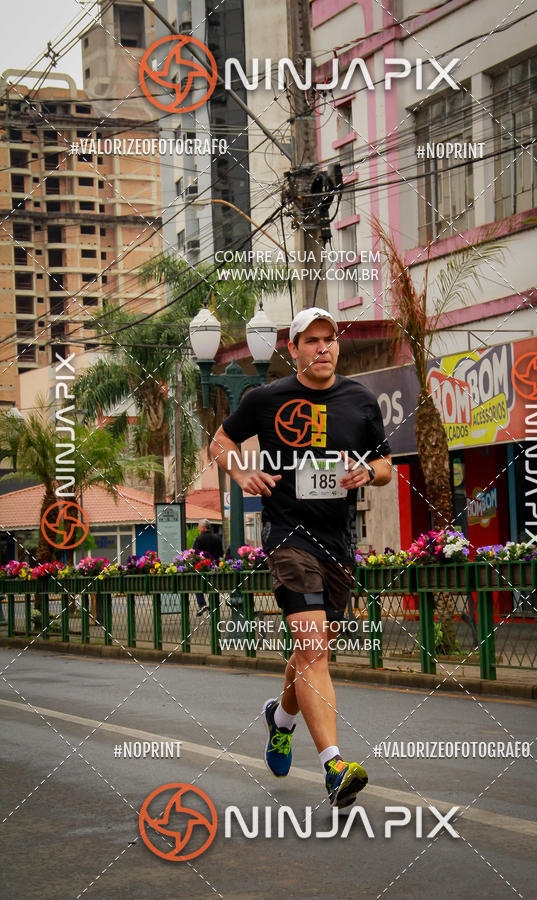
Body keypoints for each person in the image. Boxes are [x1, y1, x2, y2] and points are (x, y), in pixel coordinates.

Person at [210, 307, 392, 808]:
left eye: (329, 339)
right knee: (313, 649)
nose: (322, 348)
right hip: (288, 536)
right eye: (310, 341)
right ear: (293, 349)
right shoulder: (267, 399)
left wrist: (366, 474)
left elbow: (385, 465)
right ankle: (334, 766)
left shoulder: (360, 400)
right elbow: (220, 441)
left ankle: (281, 718)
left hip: (338, 544)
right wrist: (243, 473)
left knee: (312, 653)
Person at [193, 519, 223, 614]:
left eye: (199, 526)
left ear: (203, 527)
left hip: (202, 567)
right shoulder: (217, 538)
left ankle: (202, 604)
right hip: (215, 567)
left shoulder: (199, 539)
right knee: (213, 586)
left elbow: (195, 554)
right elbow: (220, 553)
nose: (198, 528)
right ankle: (213, 606)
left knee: (197, 585)